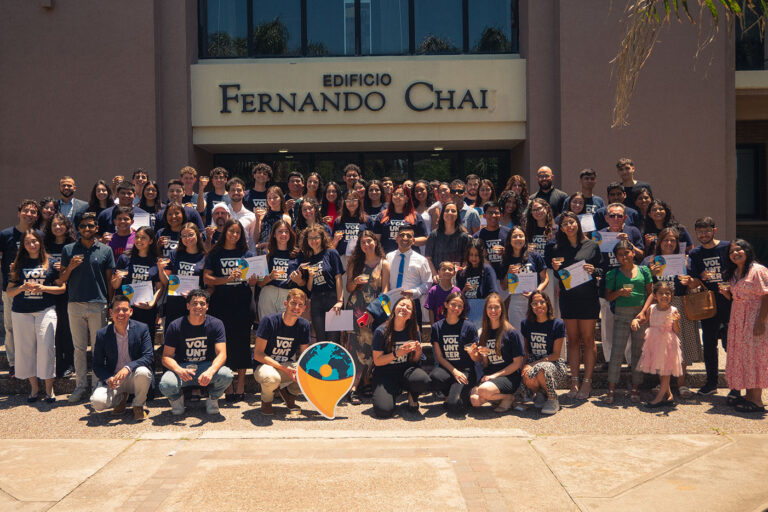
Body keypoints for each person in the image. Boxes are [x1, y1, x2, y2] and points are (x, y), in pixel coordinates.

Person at [58, 212, 116, 402]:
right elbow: (62, 279)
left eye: (90, 226)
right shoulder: (68, 249)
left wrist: (110, 303)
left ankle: (98, 385)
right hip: (75, 303)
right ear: (78, 229)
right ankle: (80, 386)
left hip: (98, 303)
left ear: (96, 228)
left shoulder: (105, 250)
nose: (87, 229)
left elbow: (109, 281)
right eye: (83, 226)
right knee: (79, 348)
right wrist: (70, 267)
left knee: (98, 348)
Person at [640, 227, 701, 398]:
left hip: (680, 305)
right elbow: (647, 288)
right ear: (659, 242)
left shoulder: (685, 261)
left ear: (677, 243)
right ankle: (663, 384)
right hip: (658, 308)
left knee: (681, 344)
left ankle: (682, 383)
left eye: (672, 240)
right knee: (662, 346)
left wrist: (690, 281)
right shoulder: (649, 261)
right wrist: (650, 274)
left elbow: (696, 283)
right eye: (665, 240)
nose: (669, 243)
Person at [547, 212, 602, 400]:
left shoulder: (592, 245)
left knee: (588, 339)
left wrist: (594, 270)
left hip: (588, 298)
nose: (569, 226)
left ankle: (587, 382)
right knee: (572, 339)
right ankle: (574, 381)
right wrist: (555, 270)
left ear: (577, 224)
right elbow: (558, 275)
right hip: (568, 298)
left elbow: (602, 269)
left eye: (572, 222)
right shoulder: (557, 248)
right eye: (564, 224)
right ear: (561, 228)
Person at [6, 230, 65, 403]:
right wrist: (21, 288)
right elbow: (10, 292)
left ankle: (49, 388)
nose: (32, 245)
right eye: (27, 242)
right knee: (25, 349)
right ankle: (34, 388)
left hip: (45, 309)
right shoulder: (18, 264)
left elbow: (61, 288)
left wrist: (44, 289)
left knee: (46, 346)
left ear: (40, 242)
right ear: (23, 246)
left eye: (34, 241)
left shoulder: (51, 262)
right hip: (21, 311)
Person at [204, 219, 257, 401]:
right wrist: (226, 279)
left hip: (242, 302)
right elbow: (207, 278)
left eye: (237, 232)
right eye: (231, 231)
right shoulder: (215, 253)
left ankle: (240, 383)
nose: (234, 235)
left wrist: (253, 280)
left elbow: (253, 280)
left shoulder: (247, 253)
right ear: (224, 232)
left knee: (242, 342)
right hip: (221, 303)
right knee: (222, 343)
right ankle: (225, 383)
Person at [159, 289, 234, 415]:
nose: (198, 306)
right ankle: (177, 399)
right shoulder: (175, 325)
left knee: (227, 375)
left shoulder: (216, 324)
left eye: (202, 304)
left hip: (206, 366)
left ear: (207, 306)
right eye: (194, 303)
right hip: (183, 367)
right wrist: (179, 370)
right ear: (188, 306)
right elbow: (166, 357)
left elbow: (222, 354)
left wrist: (211, 371)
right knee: (166, 384)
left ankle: (213, 398)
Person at [687, 217, 735, 398]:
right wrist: (699, 276)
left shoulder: (726, 247)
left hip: (730, 301)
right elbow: (694, 280)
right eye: (700, 231)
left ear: (714, 230)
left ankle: (735, 385)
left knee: (731, 345)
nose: (703, 234)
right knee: (709, 344)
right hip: (708, 302)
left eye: (707, 231)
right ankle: (711, 383)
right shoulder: (695, 253)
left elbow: (738, 268)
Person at [719, 239, 768, 413]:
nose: (735, 254)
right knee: (745, 356)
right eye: (731, 252)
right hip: (738, 319)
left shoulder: (758, 270)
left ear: (747, 251)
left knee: (755, 356)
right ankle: (749, 396)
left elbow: (766, 296)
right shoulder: (735, 273)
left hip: (754, 318)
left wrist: (761, 322)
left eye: (739, 250)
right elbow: (736, 298)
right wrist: (726, 293)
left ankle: (757, 401)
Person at [604, 240, 653, 404]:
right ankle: (611, 389)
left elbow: (651, 293)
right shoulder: (613, 274)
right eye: (620, 254)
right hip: (621, 314)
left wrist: (644, 312)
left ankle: (635, 388)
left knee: (638, 352)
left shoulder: (644, 270)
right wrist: (619, 292)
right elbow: (608, 296)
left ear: (633, 253)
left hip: (640, 315)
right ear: (616, 257)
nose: (624, 256)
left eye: (627, 252)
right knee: (617, 351)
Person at [90, 295, 154, 420]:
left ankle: (138, 405)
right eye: (117, 310)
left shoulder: (142, 329)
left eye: (125, 310)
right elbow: (97, 364)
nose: (121, 313)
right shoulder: (102, 334)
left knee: (143, 371)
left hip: (134, 377)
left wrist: (128, 367)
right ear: (111, 312)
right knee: (97, 403)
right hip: (114, 379)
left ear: (131, 311)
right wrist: (108, 378)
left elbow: (148, 356)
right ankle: (120, 399)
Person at [345, 230, 389, 404]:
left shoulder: (384, 263)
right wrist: (355, 282)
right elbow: (348, 288)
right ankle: (353, 386)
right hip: (356, 310)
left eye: (369, 241)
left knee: (371, 347)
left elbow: (385, 291)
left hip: (373, 311)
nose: (366, 245)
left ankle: (366, 380)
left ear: (375, 242)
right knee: (354, 347)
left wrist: (378, 311)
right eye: (363, 242)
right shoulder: (354, 263)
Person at [597, 202, 644, 367]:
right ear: (606, 218)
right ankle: (610, 359)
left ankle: (632, 360)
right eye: (612, 215)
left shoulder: (633, 231)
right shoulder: (600, 235)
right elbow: (594, 258)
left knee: (630, 324)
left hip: (630, 283)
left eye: (619, 215)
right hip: (607, 285)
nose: (615, 218)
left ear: (625, 217)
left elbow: (642, 254)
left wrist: (629, 244)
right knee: (608, 325)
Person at [252, 288, 311, 415]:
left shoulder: (304, 325)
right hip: (264, 365)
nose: (296, 307)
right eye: (293, 303)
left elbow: (305, 355)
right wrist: (282, 368)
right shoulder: (269, 321)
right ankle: (266, 401)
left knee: (310, 373)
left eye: (300, 305)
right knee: (271, 378)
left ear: (304, 308)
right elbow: (258, 354)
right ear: (286, 304)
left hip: (286, 364)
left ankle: (290, 395)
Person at [371, 297, 432, 417]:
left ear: (410, 315)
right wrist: (397, 354)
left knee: (424, 380)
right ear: (394, 309)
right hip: (385, 374)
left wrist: (418, 352)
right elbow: (377, 361)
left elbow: (414, 361)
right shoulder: (381, 331)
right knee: (384, 411)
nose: (404, 308)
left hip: (405, 372)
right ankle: (392, 393)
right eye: (402, 305)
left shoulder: (414, 331)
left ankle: (411, 394)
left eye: (408, 308)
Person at [1, 199, 40, 377]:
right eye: (26, 211)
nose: (29, 214)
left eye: (33, 212)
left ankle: (34, 361)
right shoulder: (6, 234)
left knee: (33, 328)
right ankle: (13, 363)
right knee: (10, 328)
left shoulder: (39, 235)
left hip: (34, 288)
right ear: (19, 213)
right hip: (11, 288)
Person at [469, 293, 525, 412]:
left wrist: (495, 375)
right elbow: (485, 364)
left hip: (508, 376)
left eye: (496, 307)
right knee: (475, 400)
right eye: (490, 307)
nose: (493, 310)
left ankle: (509, 397)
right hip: (490, 375)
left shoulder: (511, 332)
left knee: (483, 391)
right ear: (486, 310)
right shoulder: (484, 332)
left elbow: (517, 364)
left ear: (502, 309)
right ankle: (502, 398)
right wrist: (483, 355)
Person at [632, 281, 683, 408]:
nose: (664, 296)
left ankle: (659, 398)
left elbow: (676, 331)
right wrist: (635, 320)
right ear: (655, 295)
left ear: (672, 295)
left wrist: (676, 322)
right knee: (661, 369)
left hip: (668, 343)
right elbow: (644, 321)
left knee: (665, 371)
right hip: (654, 342)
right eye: (661, 293)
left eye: (668, 293)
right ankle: (669, 395)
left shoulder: (673, 310)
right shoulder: (651, 308)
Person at [429, 293, 481, 415]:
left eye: (460, 306)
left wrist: (474, 354)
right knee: (434, 377)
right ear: (446, 305)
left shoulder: (469, 327)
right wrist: (454, 371)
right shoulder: (437, 327)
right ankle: (449, 393)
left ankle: (466, 391)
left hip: (466, 371)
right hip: (448, 369)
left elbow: (477, 358)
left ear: (463, 309)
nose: (456, 308)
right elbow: (439, 358)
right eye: (453, 304)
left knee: (455, 407)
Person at [292, 225, 344, 344]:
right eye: (310, 238)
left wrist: (340, 301)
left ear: (322, 238)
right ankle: (323, 363)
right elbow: (309, 288)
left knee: (334, 339)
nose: (313, 241)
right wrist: (310, 276)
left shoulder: (331, 253)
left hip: (332, 299)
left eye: (316, 237)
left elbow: (338, 277)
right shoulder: (308, 259)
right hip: (316, 301)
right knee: (320, 338)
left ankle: (334, 363)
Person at [111, 226, 163, 341]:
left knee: (145, 341)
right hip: (125, 309)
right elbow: (114, 285)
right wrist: (118, 278)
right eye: (137, 237)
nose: (139, 240)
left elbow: (160, 287)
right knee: (124, 340)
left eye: (143, 238)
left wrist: (152, 302)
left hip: (146, 309)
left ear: (151, 241)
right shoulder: (125, 258)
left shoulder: (155, 261)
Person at [520, 291, 567, 415]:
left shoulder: (557, 324)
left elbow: (556, 354)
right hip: (533, 360)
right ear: (530, 306)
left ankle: (553, 399)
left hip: (553, 363)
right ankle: (540, 393)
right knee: (526, 375)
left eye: (542, 302)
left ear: (547, 303)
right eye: (534, 303)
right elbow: (526, 349)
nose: (539, 306)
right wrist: (523, 367)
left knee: (541, 369)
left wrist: (533, 364)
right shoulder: (526, 324)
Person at [44, 213, 75, 377]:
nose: (57, 227)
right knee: (52, 329)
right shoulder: (45, 245)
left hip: (68, 292)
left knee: (66, 328)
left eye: (60, 224)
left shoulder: (72, 245)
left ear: (67, 226)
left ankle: (69, 362)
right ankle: (56, 363)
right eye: (54, 225)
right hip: (49, 292)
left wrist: (65, 266)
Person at [158, 222, 206, 326]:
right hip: (175, 302)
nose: (187, 238)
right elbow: (166, 281)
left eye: (191, 235)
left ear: (198, 235)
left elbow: (208, 285)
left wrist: (197, 291)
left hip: (195, 304)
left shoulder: (205, 256)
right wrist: (161, 270)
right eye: (184, 236)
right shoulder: (174, 254)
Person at [500, 226, 549, 330]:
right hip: (515, 302)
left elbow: (545, 279)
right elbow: (504, 286)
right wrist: (508, 273)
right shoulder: (506, 259)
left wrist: (536, 293)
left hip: (535, 301)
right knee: (519, 335)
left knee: (536, 332)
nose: (518, 238)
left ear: (525, 239)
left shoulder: (535, 256)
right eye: (514, 236)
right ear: (509, 240)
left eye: (521, 236)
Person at [385, 225, 433, 326]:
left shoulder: (421, 260)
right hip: (391, 302)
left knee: (413, 338)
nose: (405, 238)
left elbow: (428, 282)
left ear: (413, 240)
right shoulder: (388, 257)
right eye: (402, 235)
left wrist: (414, 292)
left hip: (412, 303)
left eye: (408, 236)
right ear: (396, 238)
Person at [256, 220, 299, 319]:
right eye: (280, 231)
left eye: (286, 231)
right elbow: (259, 282)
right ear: (274, 234)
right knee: (267, 330)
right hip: (268, 294)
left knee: (286, 331)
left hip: (289, 294)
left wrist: (299, 280)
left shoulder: (298, 254)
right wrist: (270, 277)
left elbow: (303, 283)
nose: (283, 234)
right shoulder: (266, 254)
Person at [374, 185, 427, 254]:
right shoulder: (382, 216)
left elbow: (425, 239)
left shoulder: (415, 216)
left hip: (410, 257)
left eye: (401, 195)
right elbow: (376, 240)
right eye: (395, 194)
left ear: (407, 199)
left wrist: (410, 240)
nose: (397, 197)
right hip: (387, 256)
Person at [424, 200, 472, 276]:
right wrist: (435, 274)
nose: (450, 213)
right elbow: (428, 258)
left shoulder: (464, 237)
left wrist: (462, 269)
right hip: (438, 279)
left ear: (457, 215)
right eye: (447, 210)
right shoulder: (434, 235)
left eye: (453, 211)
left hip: (457, 278)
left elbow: (467, 259)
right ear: (442, 214)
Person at [332, 191, 373, 264]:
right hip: (343, 258)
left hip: (362, 257)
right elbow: (332, 245)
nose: (351, 203)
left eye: (354, 200)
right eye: (348, 200)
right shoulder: (339, 220)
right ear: (344, 203)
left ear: (359, 202)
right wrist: (335, 240)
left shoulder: (367, 220)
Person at [474, 201, 510, 281]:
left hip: (506, 278)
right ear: (484, 215)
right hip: (486, 279)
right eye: (490, 213)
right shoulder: (477, 237)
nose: (493, 216)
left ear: (500, 215)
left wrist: (506, 252)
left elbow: (516, 253)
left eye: (496, 213)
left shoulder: (509, 233)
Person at [255, 185, 292, 254]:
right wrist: (257, 220)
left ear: (281, 198)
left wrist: (266, 244)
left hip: (277, 252)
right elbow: (256, 238)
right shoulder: (262, 216)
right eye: (269, 198)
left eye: (275, 197)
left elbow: (285, 239)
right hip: (261, 252)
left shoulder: (286, 218)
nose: (272, 200)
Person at [224, 178, 257, 253]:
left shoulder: (251, 216)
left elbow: (252, 242)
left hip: (243, 258)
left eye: (239, 190)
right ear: (228, 193)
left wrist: (252, 258)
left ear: (244, 193)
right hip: (224, 256)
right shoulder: (222, 213)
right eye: (233, 190)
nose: (236, 192)